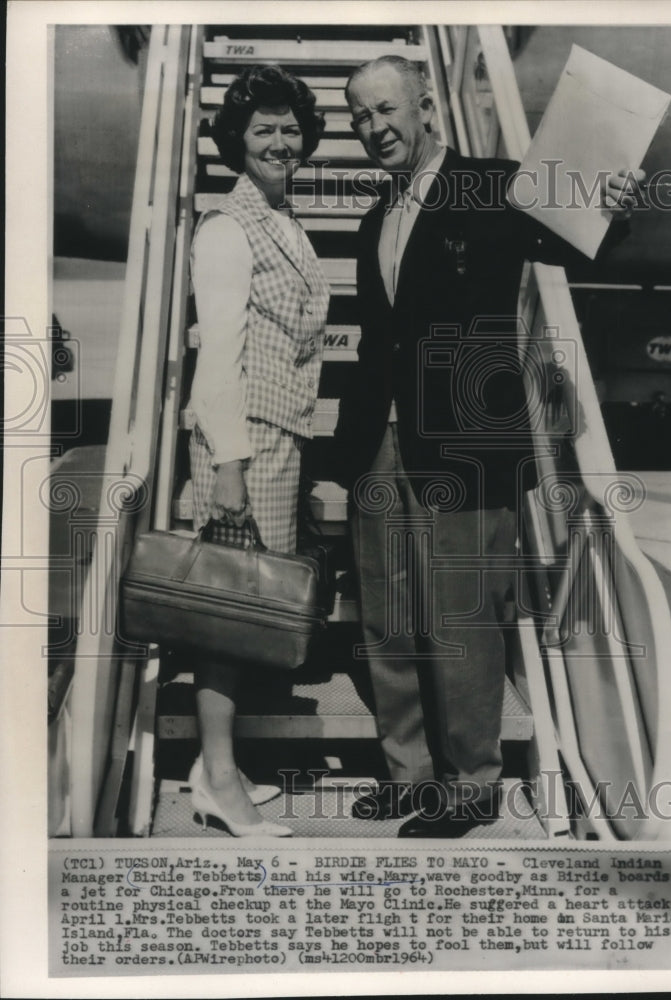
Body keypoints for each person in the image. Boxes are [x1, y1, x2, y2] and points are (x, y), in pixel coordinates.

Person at [334, 55, 643, 838]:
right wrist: (344, 452)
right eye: (360, 117)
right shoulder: (377, 217)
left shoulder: (492, 183)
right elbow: (378, 345)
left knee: (463, 617)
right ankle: (408, 773)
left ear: (426, 106)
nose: (374, 129)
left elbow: (575, 244)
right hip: (382, 441)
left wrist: (611, 206)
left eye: (385, 110)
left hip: (465, 444)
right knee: (388, 615)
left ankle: (470, 786)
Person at [187, 65, 329, 836]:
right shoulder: (227, 227)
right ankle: (218, 782)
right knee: (229, 620)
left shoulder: (283, 219)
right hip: (246, 442)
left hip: (279, 439)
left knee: (244, 615)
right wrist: (229, 469)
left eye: (290, 128)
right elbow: (218, 357)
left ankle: (218, 767)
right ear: (237, 142)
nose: (281, 142)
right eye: (263, 129)